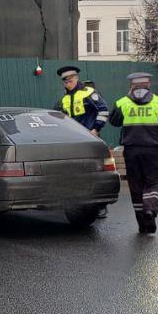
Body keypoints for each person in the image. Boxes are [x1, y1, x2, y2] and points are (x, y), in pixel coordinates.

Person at [108, 71, 158, 234]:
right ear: (148, 85)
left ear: (131, 86)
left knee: (136, 185)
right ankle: (149, 210)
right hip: (152, 150)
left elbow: (114, 121)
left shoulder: (122, 102)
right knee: (154, 182)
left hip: (131, 151)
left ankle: (143, 224)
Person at [55, 65, 110, 214]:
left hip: (90, 140)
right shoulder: (63, 99)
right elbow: (57, 118)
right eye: (65, 82)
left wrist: (96, 129)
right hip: (72, 143)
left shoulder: (89, 93)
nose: (68, 83)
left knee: (95, 173)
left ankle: (100, 206)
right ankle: (76, 204)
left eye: (70, 80)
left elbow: (104, 111)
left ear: (76, 78)